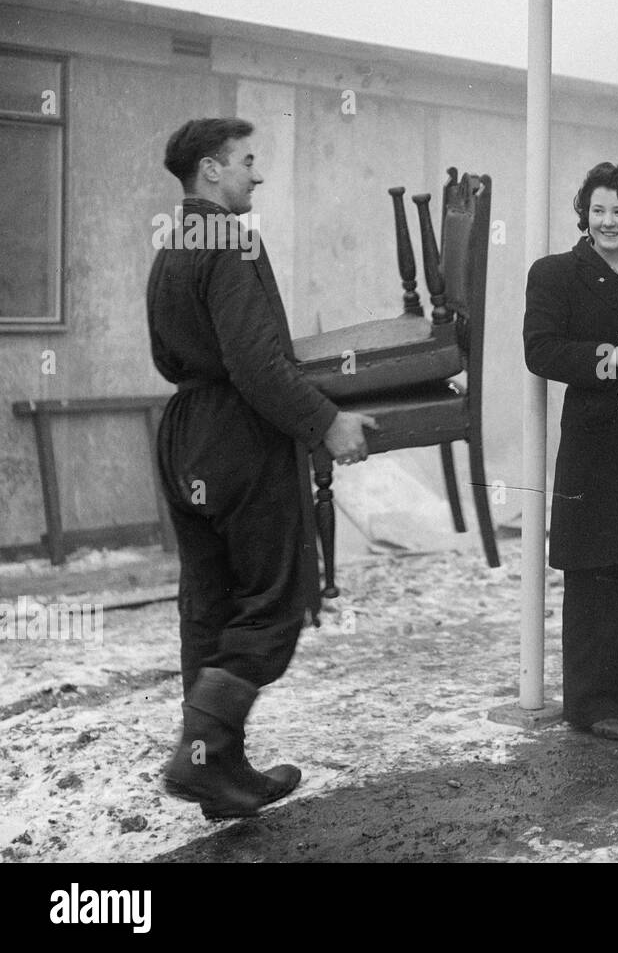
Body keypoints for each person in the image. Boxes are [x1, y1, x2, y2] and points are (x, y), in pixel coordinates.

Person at [148, 117, 375, 819]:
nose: (259, 173)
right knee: (277, 598)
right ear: (212, 171)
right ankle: (201, 749)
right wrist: (325, 421)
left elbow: (168, 356)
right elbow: (254, 361)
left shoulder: (172, 242)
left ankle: (215, 769)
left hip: (185, 433)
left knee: (212, 607)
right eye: (248, 161)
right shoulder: (230, 240)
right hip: (237, 437)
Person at [524, 162, 618, 740]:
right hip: (592, 442)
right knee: (593, 569)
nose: (608, 221)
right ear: (584, 213)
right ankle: (590, 703)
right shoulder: (556, 273)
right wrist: (615, 359)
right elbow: (542, 351)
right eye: (599, 209)